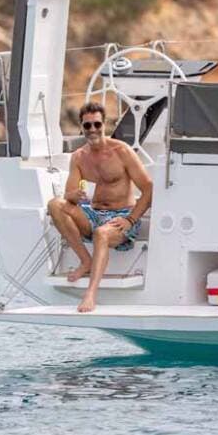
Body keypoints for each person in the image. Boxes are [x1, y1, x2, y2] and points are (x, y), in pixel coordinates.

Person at [45, 101, 153, 313]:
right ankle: (85, 260)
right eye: (87, 125)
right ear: (81, 126)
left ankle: (90, 294)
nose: (92, 129)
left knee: (102, 233)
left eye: (97, 124)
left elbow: (149, 189)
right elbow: (69, 195)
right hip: (93, 213)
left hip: (122, 216)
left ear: (105, 125)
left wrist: (130, 219)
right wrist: (72, 195)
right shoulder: (79, 157)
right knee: (55, 204)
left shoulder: (122, 151)